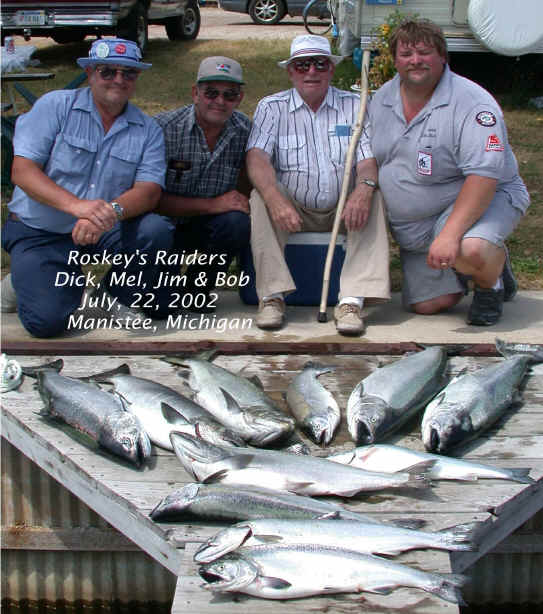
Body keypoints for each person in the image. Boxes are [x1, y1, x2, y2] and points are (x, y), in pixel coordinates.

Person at [1, 38, 174, 338]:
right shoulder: (55, 106)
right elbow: (23, 171)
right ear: (90, 73)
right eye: (108, 71)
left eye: (129, 73)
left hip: (102, 228)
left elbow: (149, 191)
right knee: (48, 322)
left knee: (155, 231)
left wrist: (109, 213)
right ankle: (23, 279)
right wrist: (78, 207)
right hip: (41, 231)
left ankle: (113, 294)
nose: (118, 79)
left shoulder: (148, 130)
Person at [368, 18, 530, 325]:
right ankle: (483, 263)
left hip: (472, 203)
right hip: (415, 228)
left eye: (424, 52)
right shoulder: (382, 98)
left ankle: (490, 283)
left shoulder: (473, 105)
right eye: (406, 54)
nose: (415, 60)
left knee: (470, 250)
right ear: (395, 60)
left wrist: (450, 235)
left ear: (443, 56)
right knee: (428, 305)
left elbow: (483, 178)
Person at [246, 35, 390, 335]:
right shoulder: (271, 107)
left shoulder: (356, 105)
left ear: (331, 69)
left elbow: (367, 160)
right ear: (290, 71)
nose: (311, 71)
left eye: (320, 64)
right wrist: (274, 198)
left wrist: (363, 189)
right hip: (293, 208)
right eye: (302, 65)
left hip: (342, 207)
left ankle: (351, 302)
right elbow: (257, 158)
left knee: (373, 196)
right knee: (260, 197)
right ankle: (271, 298)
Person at [153, 56, 251, 313]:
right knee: (160, 309)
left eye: (229, 95)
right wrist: (212, 205)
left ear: (239, 98)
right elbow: (149, 198)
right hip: (163, 227)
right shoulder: (162, 129)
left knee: (237, 222)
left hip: (209, 228)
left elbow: (246, 188)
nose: (220, 101)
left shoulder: (246, 131)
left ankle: (196, 288)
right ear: (195, 93)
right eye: (211, 93)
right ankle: (121, 285)